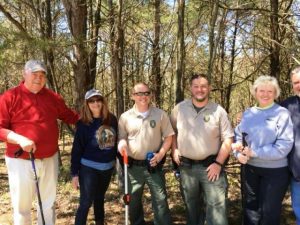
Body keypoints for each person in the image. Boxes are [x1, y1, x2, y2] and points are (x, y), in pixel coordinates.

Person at [0, 60, 79, 225]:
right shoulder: (9, 97)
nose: (39, 78)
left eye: (42, 75)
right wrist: (19, 139)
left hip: (50, 158)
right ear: (24, 74)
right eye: (34, 74)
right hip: (20, 160)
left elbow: (70, 116)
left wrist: (94, 118)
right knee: (22, 207)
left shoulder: (52, 97)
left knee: (48, 204)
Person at [171, 74, 234, 225]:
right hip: (186, 168)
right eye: (196, 86)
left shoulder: (218, 111)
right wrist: (174, 149)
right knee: (191, 206)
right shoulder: (179, 109)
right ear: (190, 88)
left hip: (211, 167)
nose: (200, 89)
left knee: (217, 207)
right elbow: (171, 133)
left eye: (204, 86)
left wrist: (218, 164)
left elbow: (228, 139)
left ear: (209, 88)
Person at [232, 75, 294, 225]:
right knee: (251, 209)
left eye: (270, 91)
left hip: (275, 172)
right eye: (262, 90)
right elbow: (238, 137)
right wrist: (237, 154)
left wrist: (255, 152)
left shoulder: (282, 113)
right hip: (250, 169)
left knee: (269, 212)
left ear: (275, 93)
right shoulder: (247, 113)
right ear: (255, 92)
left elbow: (284, 145)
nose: (265, 94)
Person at [118, 82, 174, 225]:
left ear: (150, 95)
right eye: (139, 93)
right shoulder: (125, 117)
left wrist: (161, 154)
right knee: (133, 200)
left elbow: (169, 137)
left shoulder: (160, 114)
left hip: (153, 164)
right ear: (133, 96)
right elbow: (121, 138)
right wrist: (122, 143)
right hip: (132, 167)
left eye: (146, 93)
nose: (143, 96)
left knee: (160, 199)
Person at [71, 89, 118, 225]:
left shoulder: (111, 119)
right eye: (92, 100)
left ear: (103, 102)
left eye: (98, 100)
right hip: (88, 167)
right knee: (86, 201)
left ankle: (100, 222)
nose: (95, 103)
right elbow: (77, 149)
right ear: (87, 104)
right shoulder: (83, 123)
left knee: (99, 198)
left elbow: (117, 142)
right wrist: (74, 173)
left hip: (107, 167)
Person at [281, 67, 300, 225]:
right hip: (296, 172)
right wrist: (244, 116)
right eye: (296, 82)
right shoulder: (286, 106)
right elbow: (266, 118)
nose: (299, 85)